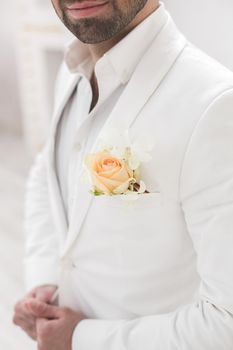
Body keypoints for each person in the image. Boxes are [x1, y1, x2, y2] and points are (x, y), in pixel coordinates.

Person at [13, 0, 233, 349]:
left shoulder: (216, 107)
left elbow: (227, 322)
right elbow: (48, 175)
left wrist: (80, 338)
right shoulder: (72, 69)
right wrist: (46, 279)